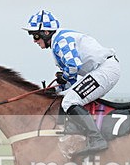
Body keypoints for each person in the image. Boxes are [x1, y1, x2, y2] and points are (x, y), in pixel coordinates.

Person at [23, 9, 120, 157]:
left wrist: (64, 77)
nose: (34, 40)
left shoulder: (61, 41)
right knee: (66, 98)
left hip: (105, 70)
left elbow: (74, 66)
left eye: (35, 35)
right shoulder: (58, 43)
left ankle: (97, 139)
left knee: (69, 101)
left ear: (46, 32)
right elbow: (71, 81)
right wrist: (56, 91)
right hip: (102, 70)